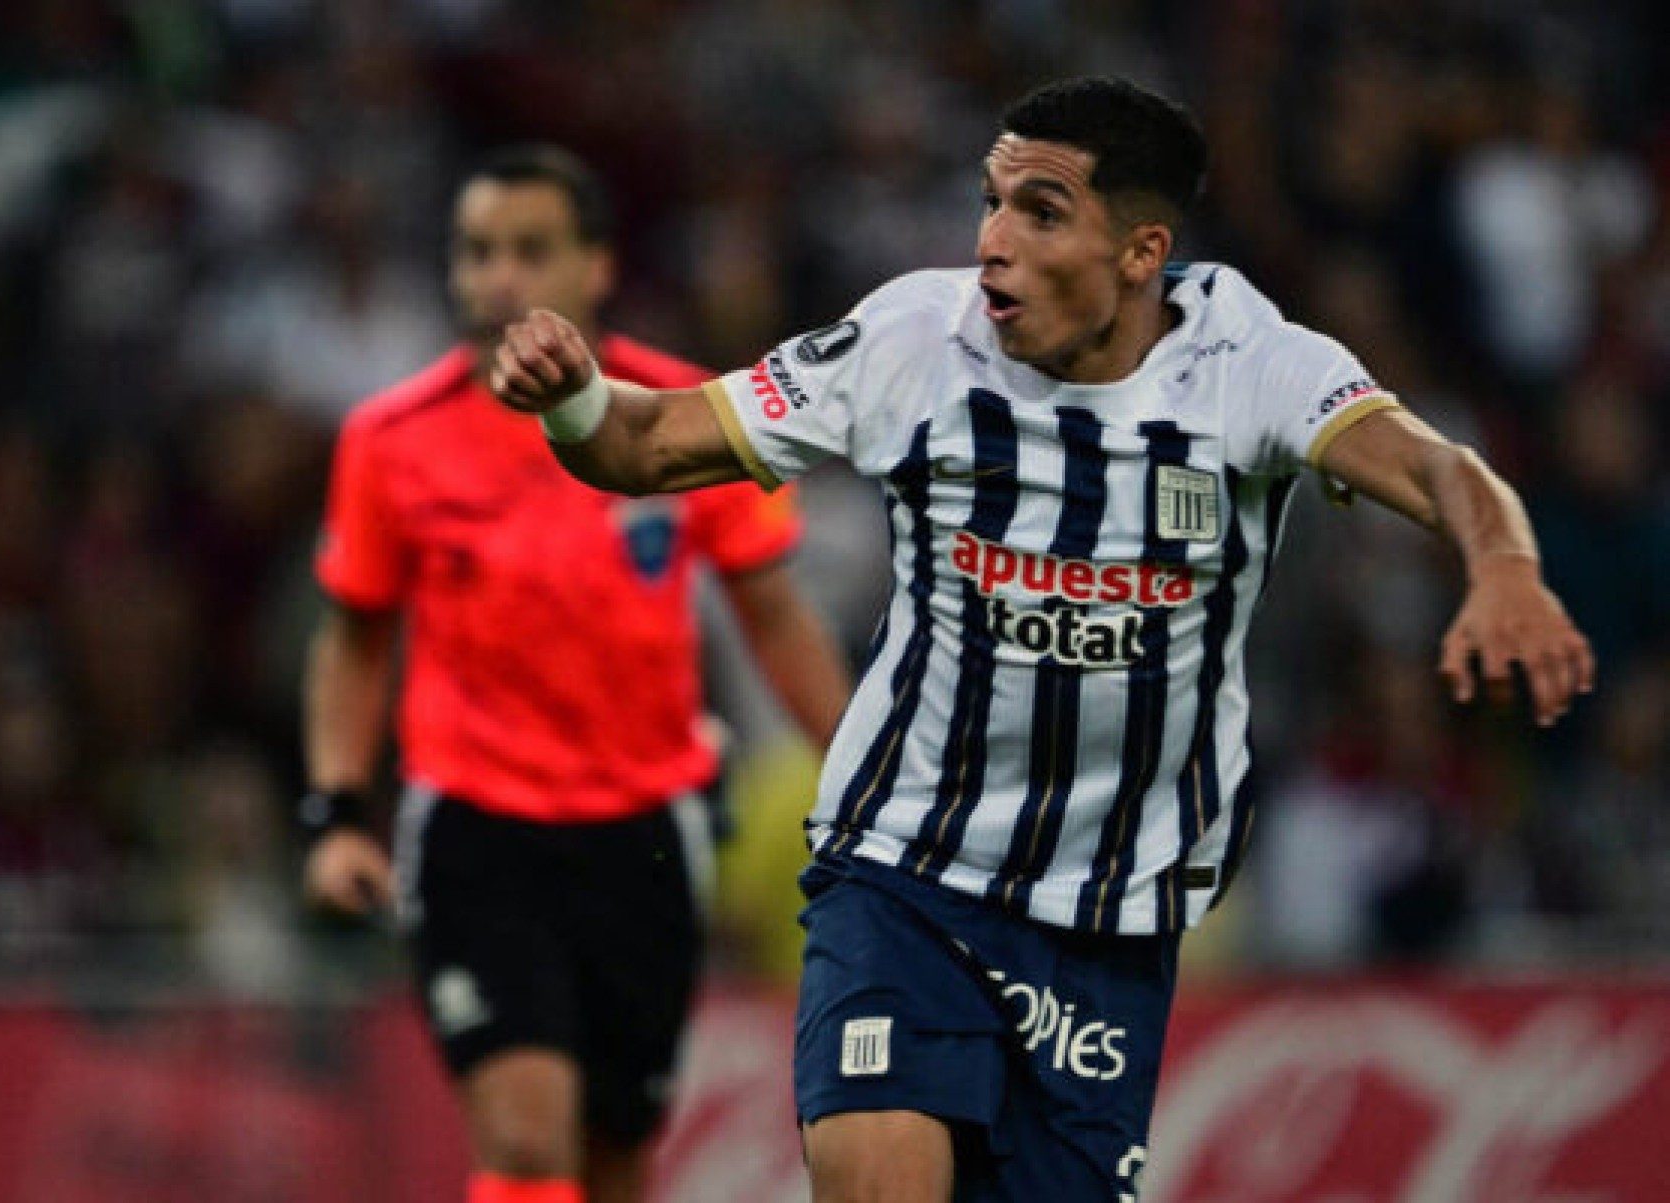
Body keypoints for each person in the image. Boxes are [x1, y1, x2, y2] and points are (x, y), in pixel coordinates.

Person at [487, 78, 1596, 1202]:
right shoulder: (917, 339)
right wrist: (575, 399)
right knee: (879, 1174)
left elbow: (1441, 466)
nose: (993, 244)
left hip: (1105, 926)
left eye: (1041, 212)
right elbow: (654, 444)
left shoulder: (1253, 367)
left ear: (1139, 251)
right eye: (992, 201)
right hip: (905, 872)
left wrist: (1503, 566)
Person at [300, 146, 850, 1203]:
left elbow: (773, 613)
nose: (499, 276)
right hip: (478, 827)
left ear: (596, 267)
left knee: (615, 1153)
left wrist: (865, 771)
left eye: (531, 250)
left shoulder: (688, 413)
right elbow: (355, 636)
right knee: (523, 1131)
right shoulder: (390, 442)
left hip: (647, 831)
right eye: (478, 252)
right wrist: (334, 813)